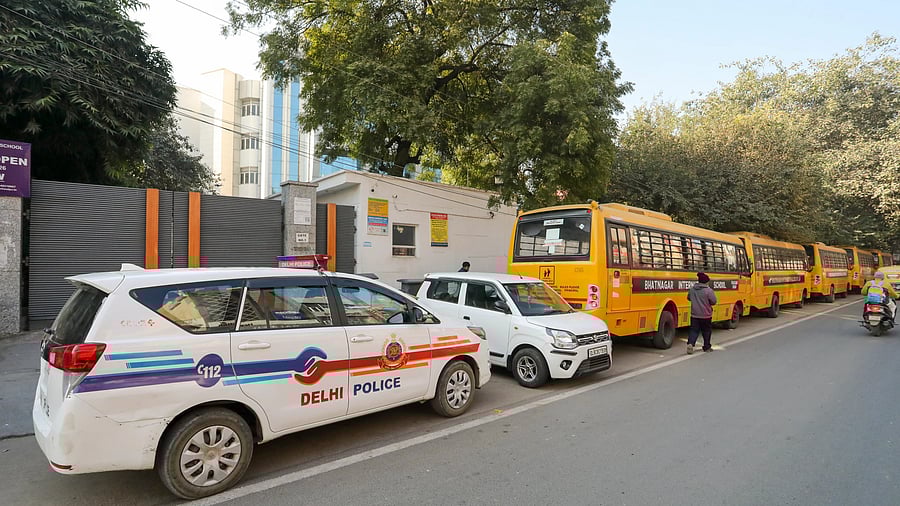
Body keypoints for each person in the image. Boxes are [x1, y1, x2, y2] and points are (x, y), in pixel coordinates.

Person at [687, 272, 717, 354]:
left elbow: (688, 298)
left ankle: (691, 344)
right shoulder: (709, 291)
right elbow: (714, 301)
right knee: (706, 331)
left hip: (694, 314)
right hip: (706, 315)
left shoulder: (692, 290)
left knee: (693, 330)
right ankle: (706, 347)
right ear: (706, 282)